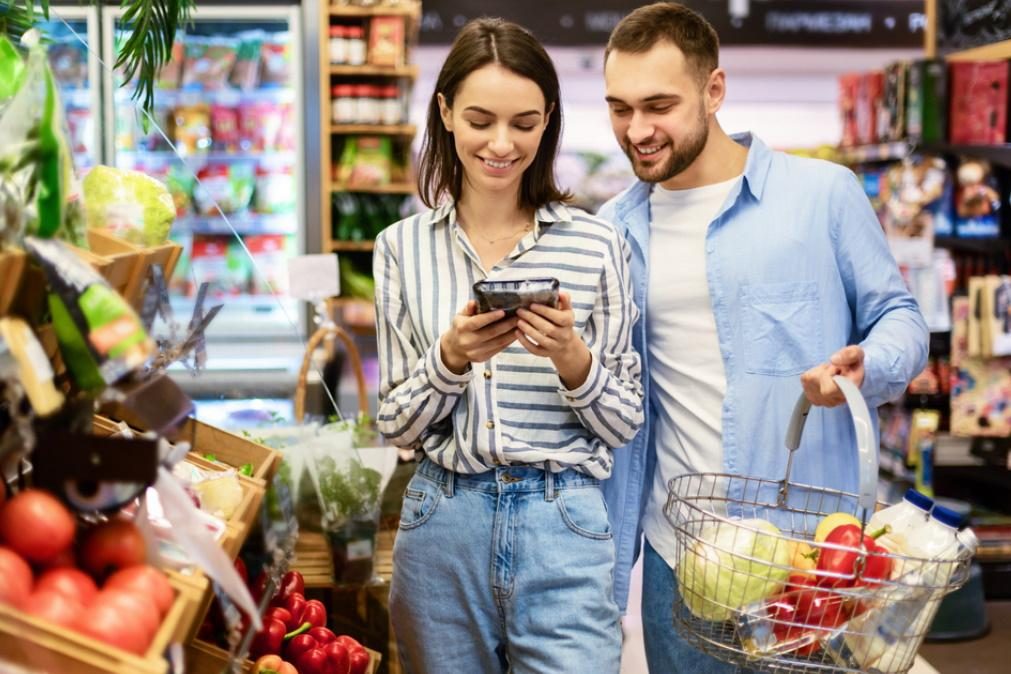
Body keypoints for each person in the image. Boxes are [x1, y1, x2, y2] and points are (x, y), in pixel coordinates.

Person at [596, 3, 929, 672]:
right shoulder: (611, 229)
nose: (637, 130)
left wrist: (865, 364)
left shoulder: (821, 196)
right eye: (619, 108)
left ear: (713, 89)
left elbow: (901, 317)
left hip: (811, 560)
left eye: (658, 105)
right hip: (680, 552)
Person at [373, 17, 644, 674]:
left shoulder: (596, 244)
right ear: (443, 113)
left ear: (547, 120)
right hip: (443, 522)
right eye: (479, 120)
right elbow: (394, 423)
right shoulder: (400, 248)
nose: (501, 143)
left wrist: (572, 361)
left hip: (564, 523)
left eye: (524, 123)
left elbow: (625, 420)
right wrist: (450, 359)